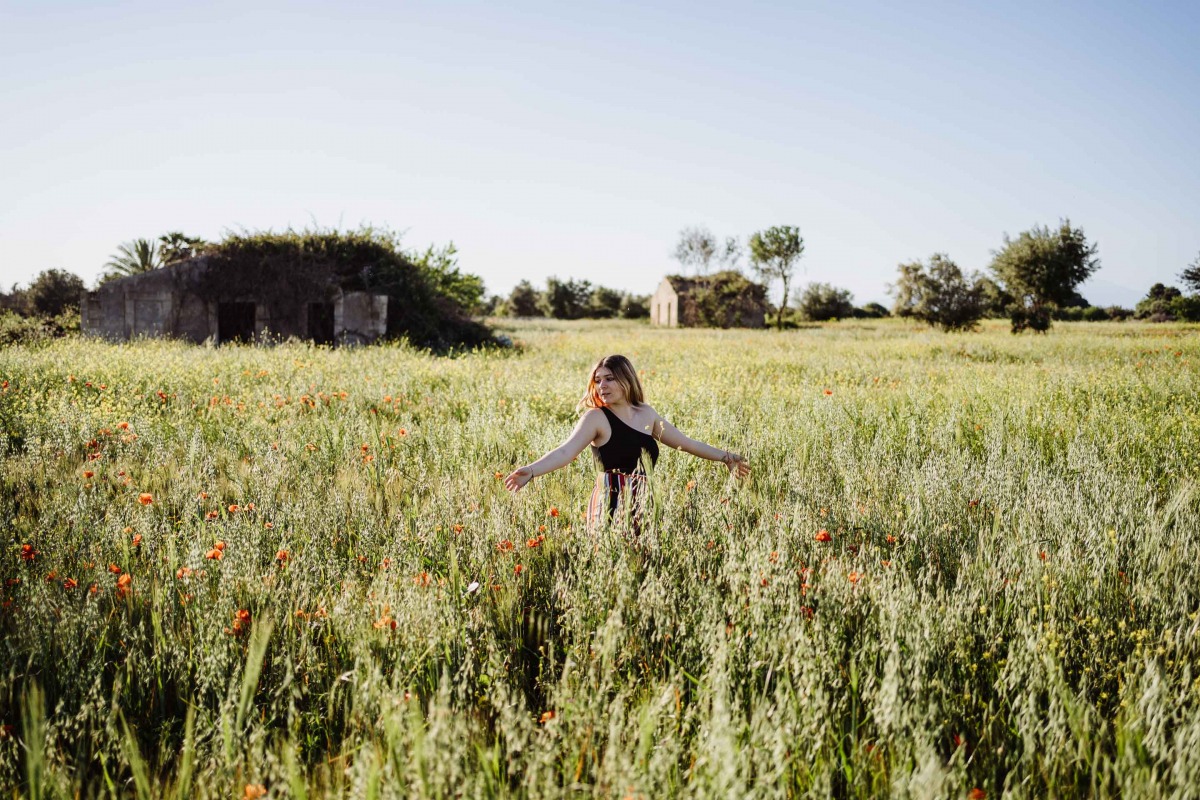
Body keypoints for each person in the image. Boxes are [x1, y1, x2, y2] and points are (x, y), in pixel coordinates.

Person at [504, 354, 750, 533]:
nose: (602, 386)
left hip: (645, 502)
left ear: (627, 379)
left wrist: (726, 457)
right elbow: (566, 451)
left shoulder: (647, 413)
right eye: (598, 380)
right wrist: (532, 470)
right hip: (609, 503)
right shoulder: (596, 417)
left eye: (609, 379)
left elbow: (685, 443)